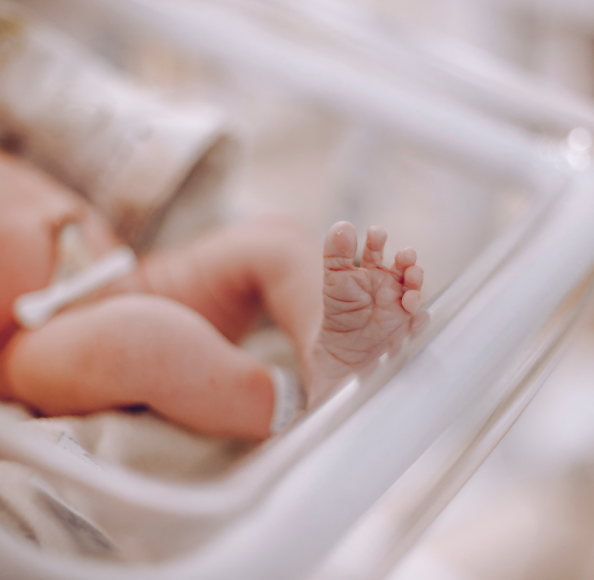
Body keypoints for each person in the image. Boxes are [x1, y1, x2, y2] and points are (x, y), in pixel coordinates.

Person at [0, 150, 424, 440]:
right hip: (29, 341)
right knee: (142, 340)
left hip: (119, 270)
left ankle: (330, 351)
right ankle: (293, 415)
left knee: (273, 238)